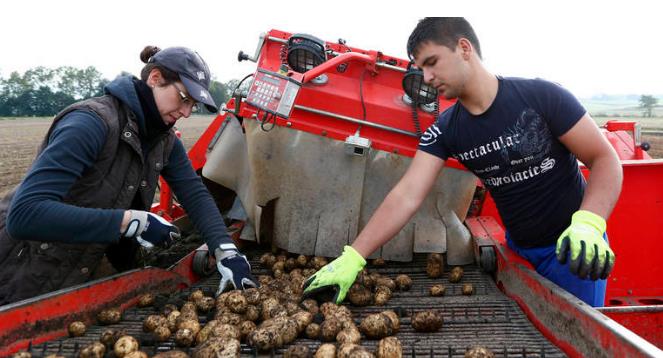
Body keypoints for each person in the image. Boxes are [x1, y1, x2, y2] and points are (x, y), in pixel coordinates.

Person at [303, 17, 622, 307]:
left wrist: (590, 223)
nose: (427, 77)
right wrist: (354, 255)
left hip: (572, 249)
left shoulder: (542, 96)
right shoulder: (446, 129)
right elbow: (407, 194)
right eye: (421, 69)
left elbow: (604, 158)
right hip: (518, 251)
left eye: (432, 63)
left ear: (464, 48)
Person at [0, 46, 257, 305]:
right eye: (183, 98)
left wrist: (225, 249)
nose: (187, 112)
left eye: (193, 104)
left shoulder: (162, 139)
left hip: (77, 273)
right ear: (155, 78)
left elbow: (195, 194)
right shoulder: (90, 124)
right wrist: (130, 221)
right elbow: (25, 215)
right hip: (20, 271)